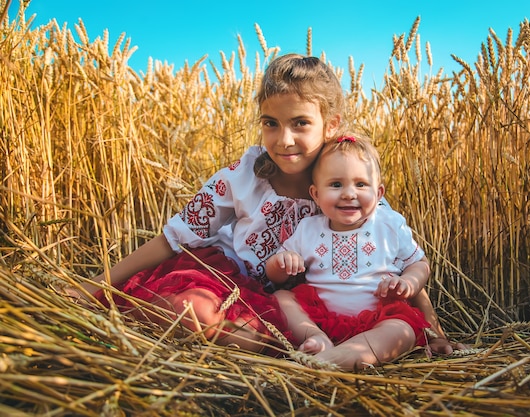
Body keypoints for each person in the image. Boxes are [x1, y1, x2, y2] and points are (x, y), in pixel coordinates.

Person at [75, 53, 462, 355]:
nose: (283, 139)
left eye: (300, 123)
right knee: (198, 312)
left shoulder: (346, 185)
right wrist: (94, 286)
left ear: (331, 124)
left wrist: (433, 330)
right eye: (271, 123)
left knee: (248, 339)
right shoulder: (241, 177)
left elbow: (392, 259)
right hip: (226, 281)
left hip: (295, 306)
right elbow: (171, 240)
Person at [265, 133, 434, 370]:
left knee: (402, 331)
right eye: (335, 185)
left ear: (379, 194)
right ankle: (317, 339)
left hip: (378, 320)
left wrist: (409, 281)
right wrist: (281, 262)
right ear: (315, 194)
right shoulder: (308, 229)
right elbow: (275, 276)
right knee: (282, 299)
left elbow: (419, 263)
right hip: (321, 318)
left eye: (361, 184)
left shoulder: (389, 225)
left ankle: (336, 358)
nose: (348, 193)